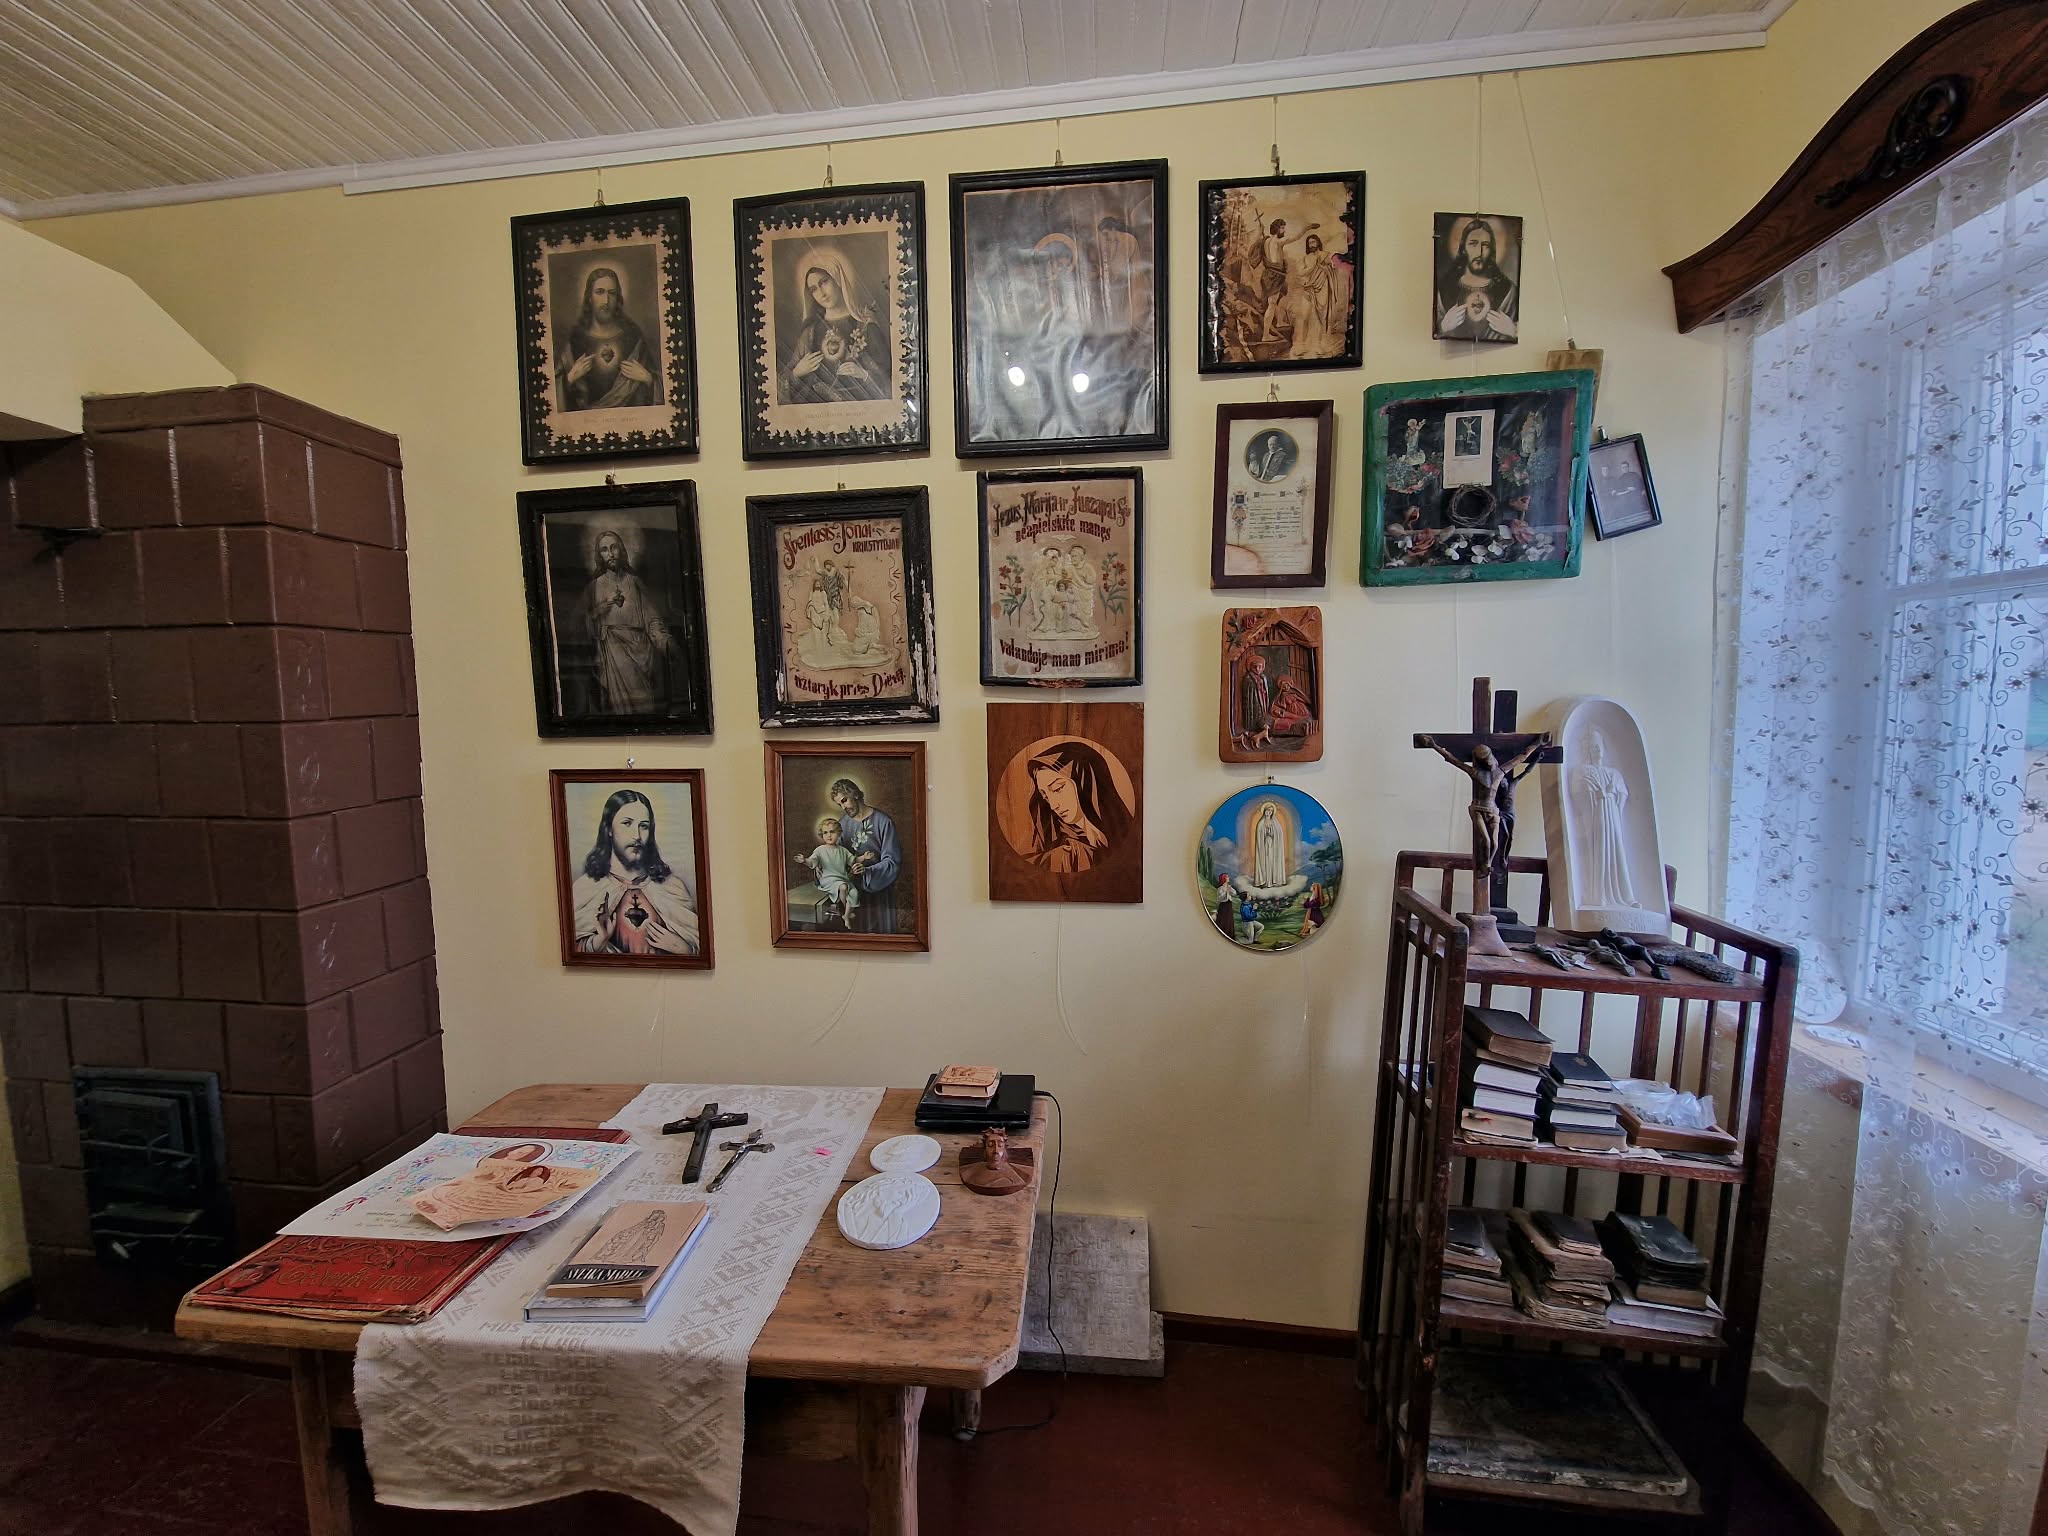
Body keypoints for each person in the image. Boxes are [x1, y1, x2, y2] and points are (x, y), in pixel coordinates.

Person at [570, 789, 700, 956]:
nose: (637, 836)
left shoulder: (672, 888)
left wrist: (684, 949)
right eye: (627, 823)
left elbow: (701, 949)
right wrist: (598, 941)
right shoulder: (586, 888)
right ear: (609, 829)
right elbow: (569, 950)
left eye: (644, 826)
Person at [582, 529, 675, 716]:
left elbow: (652, 619)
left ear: (622, 550)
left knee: (646, 708)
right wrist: (599, 611)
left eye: (614, 547)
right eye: (604, 549)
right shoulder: (594, 587)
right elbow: (588, 625)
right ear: (599, 555)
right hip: (612, 651)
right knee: (620, 711)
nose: (610, 553)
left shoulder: (635, 583)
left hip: (640, 651)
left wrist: (665, 641)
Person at [780, 253, 887, 404]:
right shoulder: (810, 332)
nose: (821, 294)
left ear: (837, 280)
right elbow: (782, 385)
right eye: (813, 289)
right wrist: (797, 372)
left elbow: (890, 379)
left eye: (824, 282)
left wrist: (864, 374)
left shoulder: (866, 325)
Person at [557, 266, 662, 411]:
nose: (606, 301)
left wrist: (648, 378)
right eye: (599, 292)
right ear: (589, 297)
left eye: (612, 293)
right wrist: (569, 379)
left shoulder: (634, 337)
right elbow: (552, 398)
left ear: (617, 298)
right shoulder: (574, 340)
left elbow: (662, 393)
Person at [1023, 740, 1131, 874]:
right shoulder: (1065, 854)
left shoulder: (1125, 836)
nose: (1053, 805)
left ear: (1085, 781)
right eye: (1045, 796)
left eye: (1057, 788)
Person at [830, 778, 903, 933]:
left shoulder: (883, 821)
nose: (844, 807)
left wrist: (868, 871)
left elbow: (892, 861)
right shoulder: (842, 825)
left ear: (855, 794)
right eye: (840, 805)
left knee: (881, 937)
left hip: (879, 891)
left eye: (844, 800)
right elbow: (837, 856)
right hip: (854, 894)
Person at [1575, 731, 1638, 908]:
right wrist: (1597, 794)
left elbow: (1622, 793)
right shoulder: (1584, 771)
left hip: (1612, 814)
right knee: (1600, 849)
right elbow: (1579, 791)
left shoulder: (1613, 773)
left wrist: (1612, 794)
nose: (1597, 749)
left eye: (1599, 746)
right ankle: (1599, 895)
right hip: (1597, 815)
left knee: (1617, 851)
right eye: (1593, 746)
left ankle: (1626, 896)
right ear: (1587, 749)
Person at [1435, 218, 1518, 338]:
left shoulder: (1508, 291)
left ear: (1491, 250)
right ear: (1463, 248)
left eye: (1485, 245)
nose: (1479, 252)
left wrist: (1513, 331)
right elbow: (1434, 331)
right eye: (1473, 244)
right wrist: (1443, 328)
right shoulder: (1444, 290)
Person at [796, 815, 861, 929]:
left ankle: (846, 915)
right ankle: (844, 909)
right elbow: (812, 862)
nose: (829, 835)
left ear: (839, 833)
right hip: (828, 880)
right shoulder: (820, 850)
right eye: (825, 833)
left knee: (854, 893)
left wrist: (864, 857)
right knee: (843, 887)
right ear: (822, 835)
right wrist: (804, 860)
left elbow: (853, 861)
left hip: (843, 879)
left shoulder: (843, 851)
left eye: (832, 832)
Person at [1283, 233, 1341, 359]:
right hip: (1308, 289)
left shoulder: (1325, 255)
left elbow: (1333, 268)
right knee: (1304, 317)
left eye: (1314, 242)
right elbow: (1301, 273)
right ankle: (1301, 345)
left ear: (1318, 243)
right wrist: (1312, 265)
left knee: (1320, 318)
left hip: (1322, 289)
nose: (1312, 245)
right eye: (1309, 243)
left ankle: (1318, 345)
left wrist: (1326, 267)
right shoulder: (1305, 258)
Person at [1237, 652, 1272, 749]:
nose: (1257, 669)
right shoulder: (1248, 678)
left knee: (1263, 713)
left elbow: (1265, 689)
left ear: (1262, 667)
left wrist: (1263, 692)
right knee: (1255, 713)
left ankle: (1261, 730)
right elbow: (1247, 693)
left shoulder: (1263, 677)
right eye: (1255, 667)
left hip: (1262, 698)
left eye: (1259, 667)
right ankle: (1253, 730)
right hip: (1253, 701)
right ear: (1250, 667)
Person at [1252, 801, 1288, 888]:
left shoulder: (1275, 822)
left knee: (1272, 862)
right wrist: (1265, 837)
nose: (1269, 812)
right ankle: (1265, 881)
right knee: (1266, 863)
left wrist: (1273, 835)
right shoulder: (1261, 823)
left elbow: (1279, 834)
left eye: (1271, 811)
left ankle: (1273, 880)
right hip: (1264, 847)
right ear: (1264, 811)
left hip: (1273, 847)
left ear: (1272, 813)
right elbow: (1259, 837)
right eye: (1267, 810)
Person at [1212, 875, 1239, 941]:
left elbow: (1234, 893)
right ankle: (1222, 933)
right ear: (1224, 878)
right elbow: (1220, 898)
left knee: (1229, 919)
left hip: (1229, 905)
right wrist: (1226, 891)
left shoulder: (1229, 886)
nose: (1228, 878)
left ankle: (1230, 935)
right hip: (1223, 906)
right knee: (1223, 919)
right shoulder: (1220, 888)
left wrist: (1230, 890)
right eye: (1227, 877)